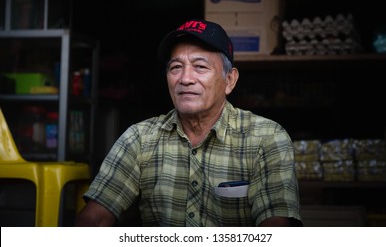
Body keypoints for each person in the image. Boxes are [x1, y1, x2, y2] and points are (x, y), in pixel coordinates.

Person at [75, 19, 303, 227]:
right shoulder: (140, 138)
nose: (185, 78)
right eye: (176, 67)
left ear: (229, 80)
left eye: (200, 67)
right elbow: (96, 216)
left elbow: (276, 229)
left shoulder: (266, 137)